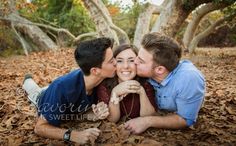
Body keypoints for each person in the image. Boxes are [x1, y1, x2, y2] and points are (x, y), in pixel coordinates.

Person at [22, 37, 116, 144]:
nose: (116, 63)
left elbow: (79, 111)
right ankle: (27, 80)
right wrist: (73, 135)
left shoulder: (101, 79)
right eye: (111, 61)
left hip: (60, 88)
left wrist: (93, 113)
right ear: (95, 70)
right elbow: (40, 128)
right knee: (34, 90)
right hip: (44, 96)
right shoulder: (62, 89)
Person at [124, 32, 205, 134]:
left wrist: (147, 121)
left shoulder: (189, 78)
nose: (134, 62)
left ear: (159, 70)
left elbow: (185, 120)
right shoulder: (146, 72)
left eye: (141, 61)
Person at [97, 44, 157, 123]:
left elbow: (148, 117)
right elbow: (112, 119)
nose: (125, 66)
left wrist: (141, 92)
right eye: (120, 61)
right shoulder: (105, 85)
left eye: (131, 60)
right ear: (114, 63)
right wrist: (115, 92)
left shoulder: (146, 83)